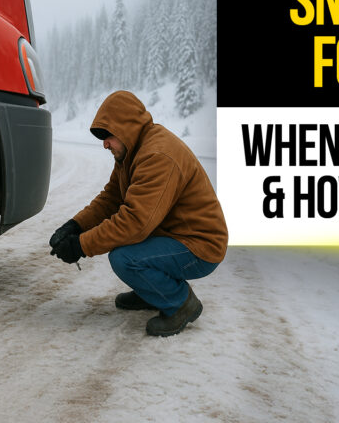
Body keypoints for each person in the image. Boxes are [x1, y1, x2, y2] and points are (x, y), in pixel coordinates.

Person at [49, 90, 228, 336]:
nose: (105, 144)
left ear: (126, 128)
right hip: (173, 235)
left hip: (199, 246)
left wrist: (81, 245)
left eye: (108, 136)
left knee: (125, 257)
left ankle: (180, 303)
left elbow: (135, 223)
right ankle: (152, 292)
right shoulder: (132, 151)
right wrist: (75, 226)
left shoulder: (157, 155)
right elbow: (111, 198)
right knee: (127, 251)